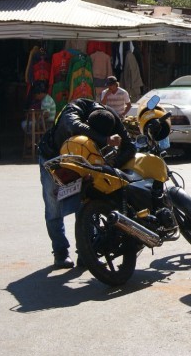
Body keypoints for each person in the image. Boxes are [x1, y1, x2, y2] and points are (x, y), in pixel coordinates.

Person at [37, 99, 136, 268]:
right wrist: (105, 139)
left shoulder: (111, 118)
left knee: (86, 205)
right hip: (53, 159)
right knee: (54, 208)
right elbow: (74, 125)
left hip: (86, 162)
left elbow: (129, 147)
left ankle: (86, 251)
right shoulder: (73, 109)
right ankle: (60, 252)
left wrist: (113, 164)